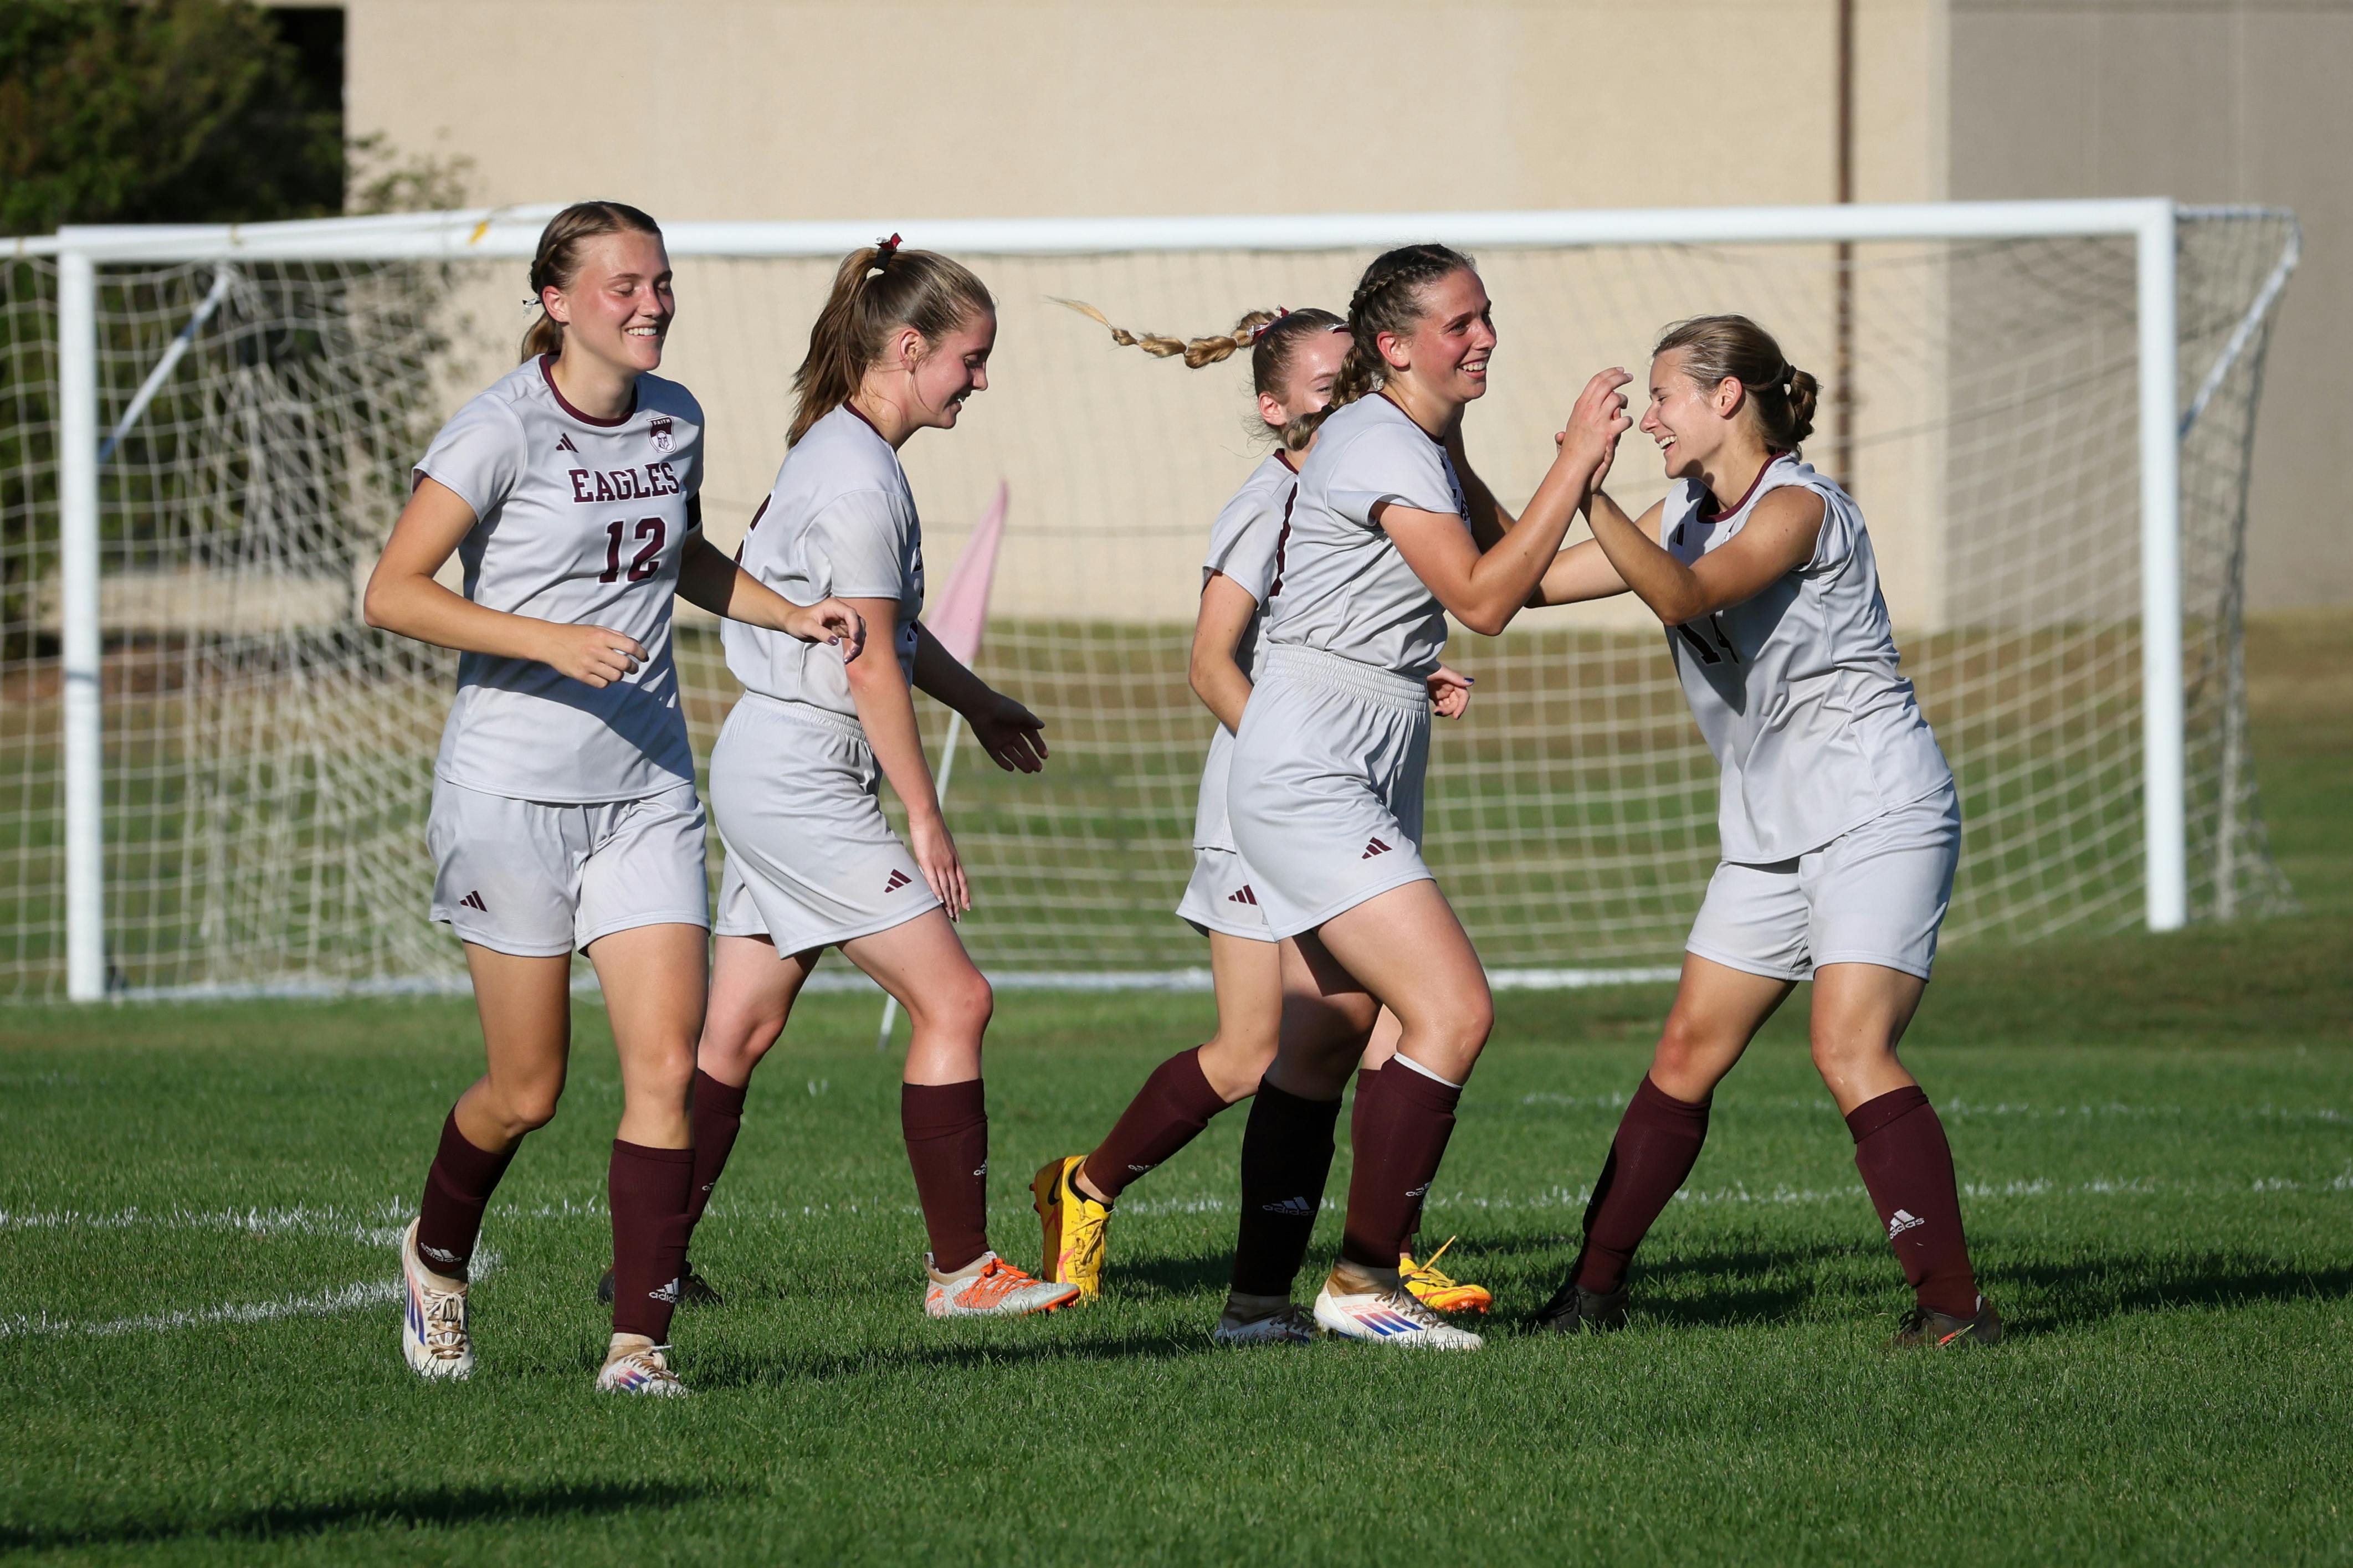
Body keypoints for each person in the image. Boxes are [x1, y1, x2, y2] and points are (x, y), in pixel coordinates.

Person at [366, 201, 864, 1395]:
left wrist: (788, 612)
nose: (652, 304)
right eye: (624, 286)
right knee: (526, 1090)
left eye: (661, 283)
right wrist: (546, 639)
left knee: (663, 1070)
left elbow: (677, 555)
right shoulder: (499, 428)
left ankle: (638, 1349)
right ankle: (436, 1259)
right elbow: (393, 590)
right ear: (557, 301)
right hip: (511, 795)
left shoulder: (676, 414)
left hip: (646, 789)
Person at [1525, 313, 1997, 1347]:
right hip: (1770, 830)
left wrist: (1587, 487)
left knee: (1848, 1047)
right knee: (1685, 1051)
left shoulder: (1800, 507)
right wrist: (1470, 458)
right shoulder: (1680, 512)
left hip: (1877, 811)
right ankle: (1589, 1298)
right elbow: (1527, 581)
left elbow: (1683, 594)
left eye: (1664, 397)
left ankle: (1955, 1311)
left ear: (1726, 397)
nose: (1652, 418)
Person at [1028, 305, 1490, 1315]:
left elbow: (1331, 628)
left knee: (1374, 1024)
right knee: (1257, 1050)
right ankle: (1086, 1189)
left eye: (1356, 382)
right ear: (1275, 409)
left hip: (1332, 776)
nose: (1352, 402)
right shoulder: (1268, 498)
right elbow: (1212, 663)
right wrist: (1295, 746)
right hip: (1272, 794)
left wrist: (1402, 672)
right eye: (1329, 389)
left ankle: (1369, 1262)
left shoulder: (1373, 475)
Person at [1213, 244, 1631, 1347]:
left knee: (1326, 1039)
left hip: (1364, 749)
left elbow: (1528, 573)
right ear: (1393, 347)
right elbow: (1484, 602)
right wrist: (1577, 458)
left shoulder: (1424, 440)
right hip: (1313, 759)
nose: (1484, 337)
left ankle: (1255, 1310)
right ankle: (1362, 1283)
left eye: (1486, 315)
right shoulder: (1378, 439)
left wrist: (1682, 548)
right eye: (1459, 323)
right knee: (1452, 1010)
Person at [680, 238, 1077, 1319]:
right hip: (803, 772)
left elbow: (885, 632)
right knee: (956, 999)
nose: (980, 380)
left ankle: (644, 1264)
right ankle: (962, 1272)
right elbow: (866, 667)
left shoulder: (841, 450)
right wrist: (923, 816)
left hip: (775, 757)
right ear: (908, 349)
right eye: (970, 358)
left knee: (738, 1033)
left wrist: (978, 701)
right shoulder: (859, 477)